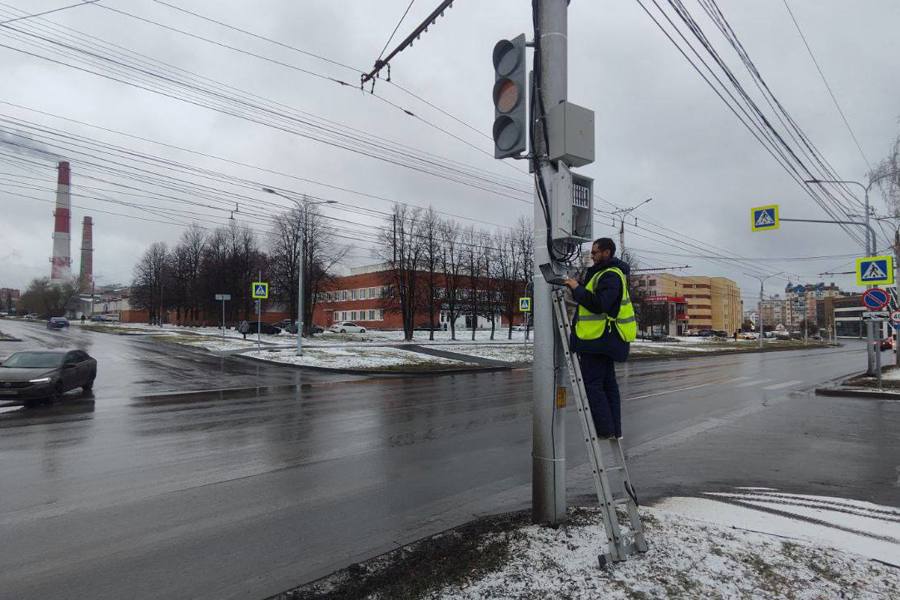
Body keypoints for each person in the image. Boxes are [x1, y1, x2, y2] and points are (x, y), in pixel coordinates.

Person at [564, 238, 636, 439]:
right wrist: (576, 289)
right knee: (607, 385)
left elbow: (600, 305)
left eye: (595, 252)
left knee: (594, 385)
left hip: (598, 340)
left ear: (607, 252)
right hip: (600, 340)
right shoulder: (603, 274)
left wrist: (577, 288)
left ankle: (605, 430)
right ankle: (613, 430)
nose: (592, 256)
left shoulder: (610, 275)